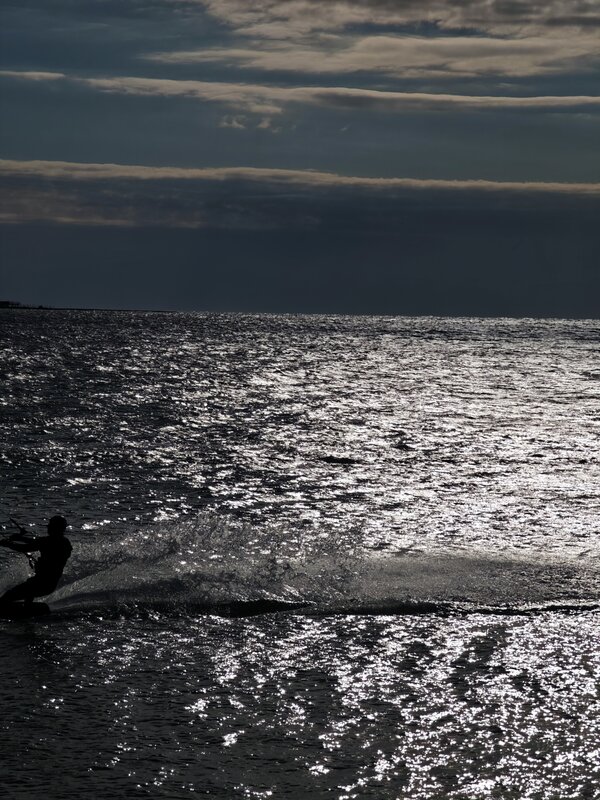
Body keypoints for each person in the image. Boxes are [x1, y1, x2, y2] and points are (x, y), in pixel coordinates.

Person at [0, 515, 72, 606]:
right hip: (47, 585)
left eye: (50, 526)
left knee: (7, 597)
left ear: (56, 528)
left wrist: (8, 544)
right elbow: (37, 542)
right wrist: (20, 538)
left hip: (40, 584)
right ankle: (27, 607)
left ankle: (23, 609)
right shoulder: (65, 542)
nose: (48, 527)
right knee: (26, 590)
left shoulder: (50, 542)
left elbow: (25, 548)